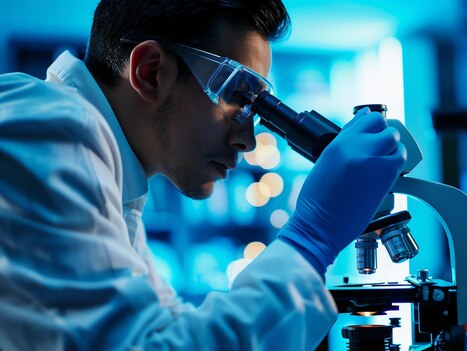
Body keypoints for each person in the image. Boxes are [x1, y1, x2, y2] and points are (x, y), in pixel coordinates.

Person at [0, 0, 407, 350]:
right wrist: (311, 239)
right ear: (150, 72)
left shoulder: (113, 181)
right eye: (237, 96)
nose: (248, 140)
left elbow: (170, 330)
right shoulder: (51, 130)